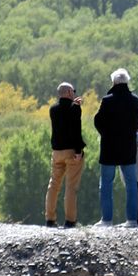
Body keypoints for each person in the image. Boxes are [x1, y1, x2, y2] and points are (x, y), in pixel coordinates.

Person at [93, 68, 138, 227]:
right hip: (128, 147)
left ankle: (107, 220)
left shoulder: (107, 100)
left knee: (106, 183)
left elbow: (98, 121)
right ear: (127, 82)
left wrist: (105, 134)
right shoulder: (135, 100)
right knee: (131, 184)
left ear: (113, 82)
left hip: (109, 147)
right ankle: (132, 220)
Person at [45, 82, 86, 228]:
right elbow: (75, 130)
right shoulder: (74, 109)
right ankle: (70, 220)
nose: (74, 93)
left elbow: (64, 116)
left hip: (56, 151)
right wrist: (78, 151)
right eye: (73, 91)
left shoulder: (53, 109)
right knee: (71, 186)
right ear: (69, 92)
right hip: (71, 152)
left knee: (54, 184)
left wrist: (75, 106)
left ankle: (50, 219)